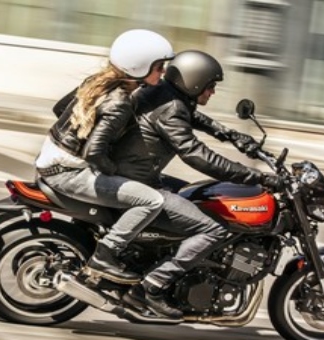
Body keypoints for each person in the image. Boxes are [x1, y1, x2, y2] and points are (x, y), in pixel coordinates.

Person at [113, 50, 283, 318]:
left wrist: (232, 136)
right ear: (193, 82)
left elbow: (194, 117)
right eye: (210, 85)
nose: (212, 92)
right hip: (138, 183)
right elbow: (197, 155)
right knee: (215, 228)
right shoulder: (171, 108)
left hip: (137, 175)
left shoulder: (167, 96)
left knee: (196, 196)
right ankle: (151, 286)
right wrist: (255, 176)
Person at [34, 29, 175, 284]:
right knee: (151, 200)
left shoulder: (97, 82)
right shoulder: (120, 101)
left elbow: (60, 108)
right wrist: (113, 169)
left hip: (49, 161)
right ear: (139, 66)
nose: (163, 72)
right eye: (158, 67)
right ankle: (105, 255)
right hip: (68, 173)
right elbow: (95, 152)